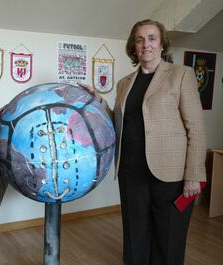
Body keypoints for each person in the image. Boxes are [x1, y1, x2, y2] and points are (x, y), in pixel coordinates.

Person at [80, 19, 206, 265]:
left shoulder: (182, 75)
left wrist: (194, 174)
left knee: (168, 238)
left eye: (151, 38)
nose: (145, 44)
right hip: (131, 171)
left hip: (170, 173)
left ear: (162, 44)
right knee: (135, 234)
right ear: (133, 47)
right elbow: (118, 121)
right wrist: (99, 101)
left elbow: (196, 129)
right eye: (139, 39)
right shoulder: (125, 83)